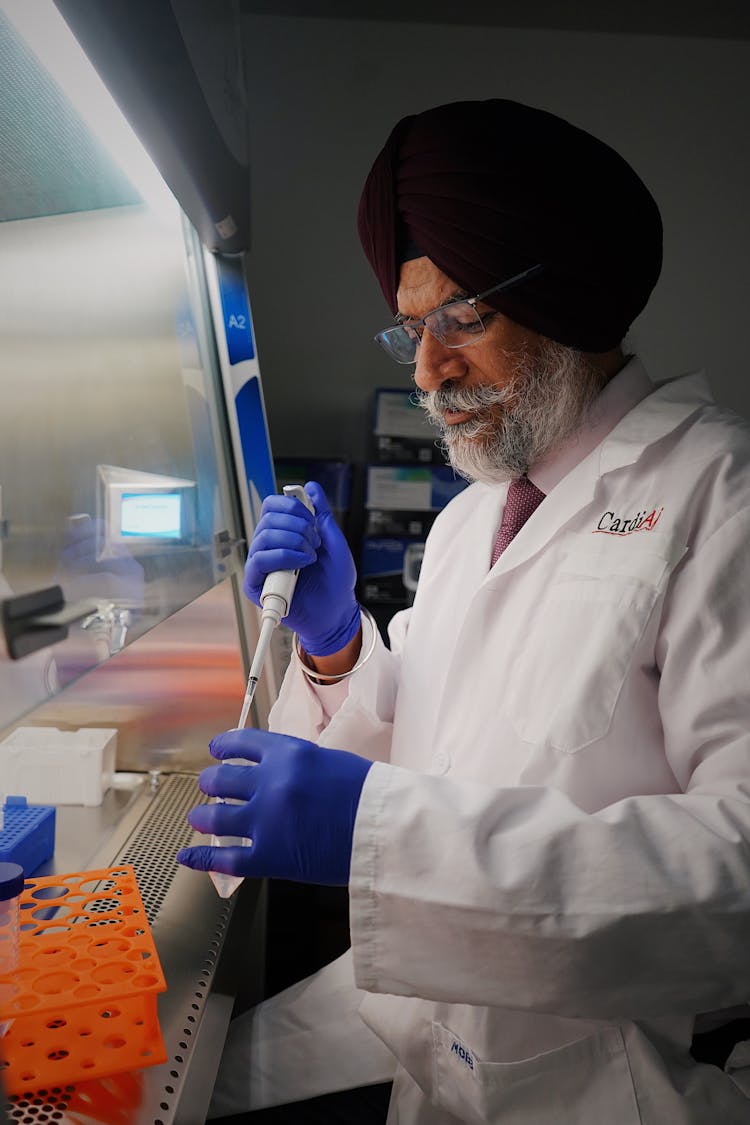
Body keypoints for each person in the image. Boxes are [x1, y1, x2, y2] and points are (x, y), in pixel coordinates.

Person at [177, 99, 750, 1123]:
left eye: (465, 319)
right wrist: (336, 645)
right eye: (410, 329)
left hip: (605, 1087)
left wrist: (375, 833)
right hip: (420, 1046)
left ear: (570, 299)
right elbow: (442, 749)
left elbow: (739, 873)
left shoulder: (722, 493)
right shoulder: (468, 519)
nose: (428, 372)